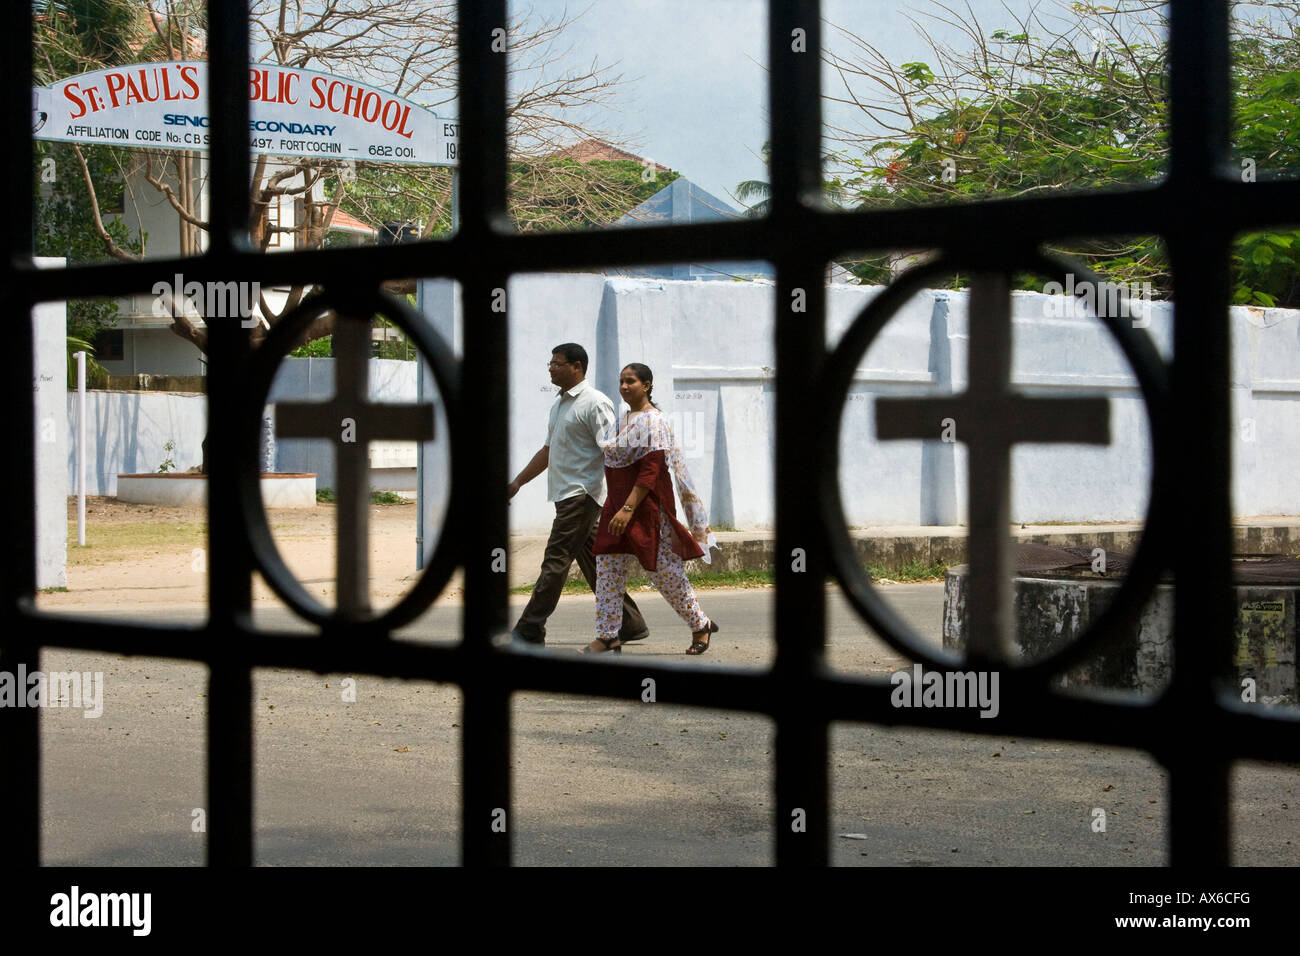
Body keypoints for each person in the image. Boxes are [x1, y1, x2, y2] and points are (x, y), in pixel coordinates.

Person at [508, 343, 649, 646]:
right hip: (566, 496)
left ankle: (530, 627)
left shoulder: (594, 403)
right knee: (596, 562)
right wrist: (518, 482)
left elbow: (612, 451)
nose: (550, 367)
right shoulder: (559, 405)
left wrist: (623, 502)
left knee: (555, 560)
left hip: (581, 495)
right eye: (550, 362)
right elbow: (548, 451)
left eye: (557, 363)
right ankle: (629, 622)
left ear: (577, 367)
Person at [586, 363, 718, 655]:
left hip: (646, 510)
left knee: (664, 574)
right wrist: (616, 507)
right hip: (616, 507)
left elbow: (651, 469)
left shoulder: (654, 421)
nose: (623, 386)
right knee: (607, 567)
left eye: (630, 381)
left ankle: (700, 624)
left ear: (646, 385)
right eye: (621, 381)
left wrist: (628, 509)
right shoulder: (622, 421)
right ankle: (608, 635)